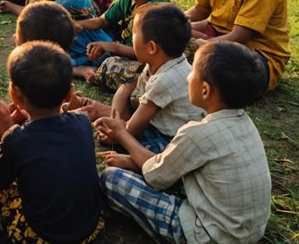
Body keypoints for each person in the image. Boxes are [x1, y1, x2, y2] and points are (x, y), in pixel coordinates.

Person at [98, 42, 272, 244]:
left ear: (205, 90)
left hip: (206, 235)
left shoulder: (197, 133)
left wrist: (121, 133)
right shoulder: (246, 124)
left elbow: (157, 177)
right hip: (250, 231)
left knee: (112, 179)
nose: (188, 76)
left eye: (192, 72)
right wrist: (133, 160)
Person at [0, 42, 105, 243]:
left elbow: (0, 176)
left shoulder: (17, 139)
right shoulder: (83, 122)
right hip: (90, 228)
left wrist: (7, 132)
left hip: (41, 237)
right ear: (69, 93)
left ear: (14, 94)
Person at [71, 4, 205, 154]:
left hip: (173, 138)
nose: (131, 39)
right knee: (126, 106)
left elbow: (130, 130)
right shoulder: (165, 62)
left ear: (152, 48)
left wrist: (116, 134)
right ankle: (101, 112)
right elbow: (136, 103)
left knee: (142, 144)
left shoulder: (164, 80)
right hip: (162, 124)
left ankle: (132, 160)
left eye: (134, 33)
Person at [72, 0, 175, 88]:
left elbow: (146, 53)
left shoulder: (157, 14)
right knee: (81, 35)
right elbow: (102, 21)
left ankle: (85, 69)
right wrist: (76, 25)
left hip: (146, 61)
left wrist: (113, 48)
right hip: (120, 48)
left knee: (113, 66)